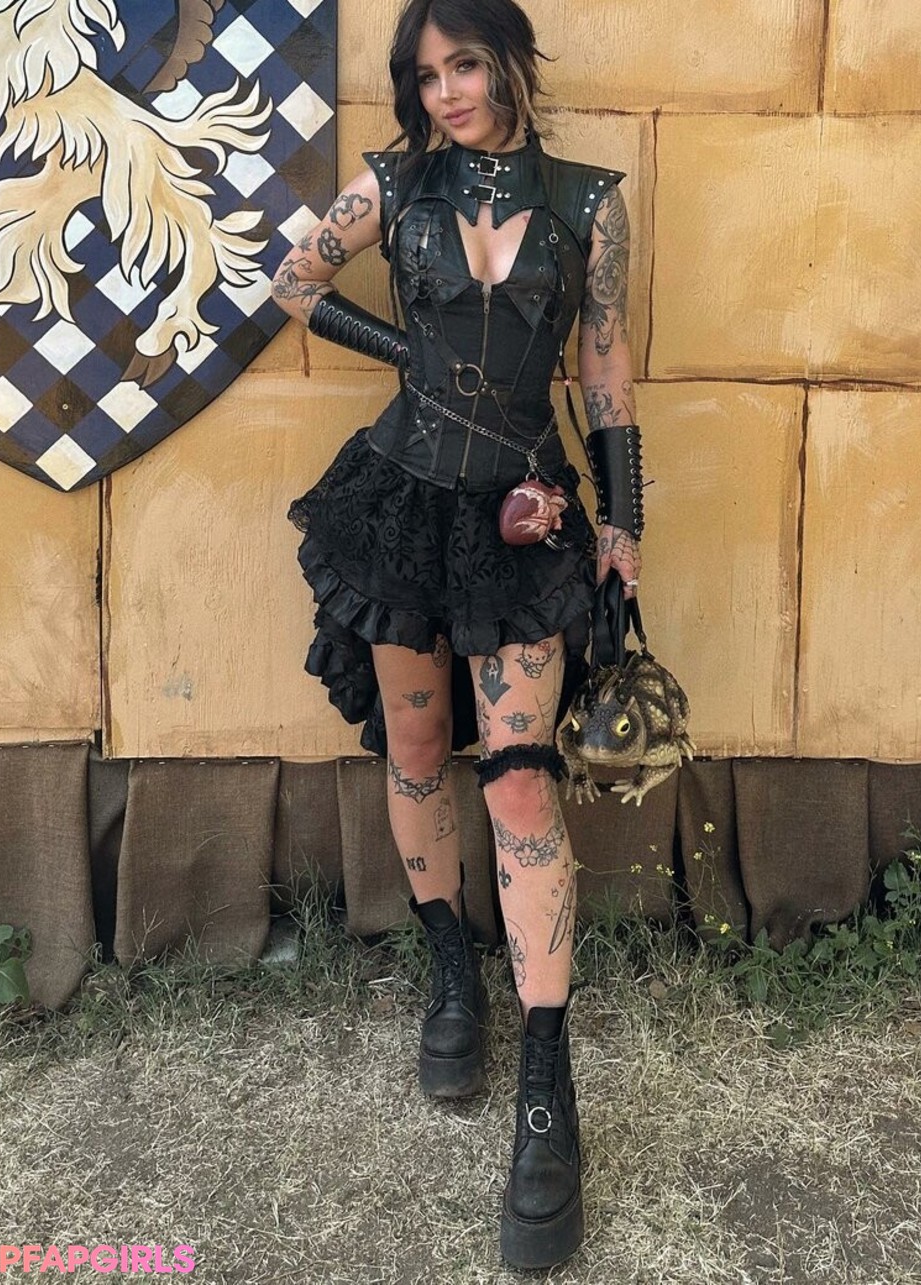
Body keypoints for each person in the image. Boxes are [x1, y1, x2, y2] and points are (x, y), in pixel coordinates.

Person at [270, 0, 644, 1268]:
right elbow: (293, 279)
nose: (447, 93)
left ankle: (546, 1085)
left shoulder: (591, 204)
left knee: (522, 784)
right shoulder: (392, 186)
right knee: (420, 748)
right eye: (425, 75)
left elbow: (605, 372)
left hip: (526, 519)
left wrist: (625, 522)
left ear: (510, 62)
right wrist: (404, 357)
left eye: (466, 64)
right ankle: (448, 970)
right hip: (403, 502)